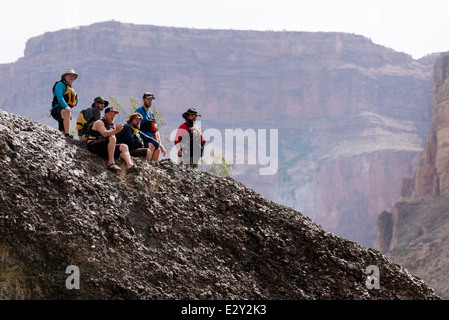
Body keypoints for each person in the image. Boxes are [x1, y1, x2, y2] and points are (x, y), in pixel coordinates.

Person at [86, 106, 141, 174]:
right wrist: (115, 131)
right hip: (93, 145)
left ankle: (130, 166)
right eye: (111, 114)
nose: (112, 117)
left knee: (124, 146)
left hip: (103, 148)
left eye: (114, 115)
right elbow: (104, 133)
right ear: (105, 114)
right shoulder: (99, 122)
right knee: (112, 138)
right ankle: (111, 163)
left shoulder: (110, 125)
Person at [51, 68, 79, 138]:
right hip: (57, 110)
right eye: (69, 75)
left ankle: (64, 135)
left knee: (61, 131)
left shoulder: (70, 88)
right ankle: (67, 134)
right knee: (67, 112)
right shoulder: (60, 84)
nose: (71, 77)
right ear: (64, 76)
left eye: (73, 76)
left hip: (63, 111)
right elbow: (60, 97)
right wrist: (66, 107)